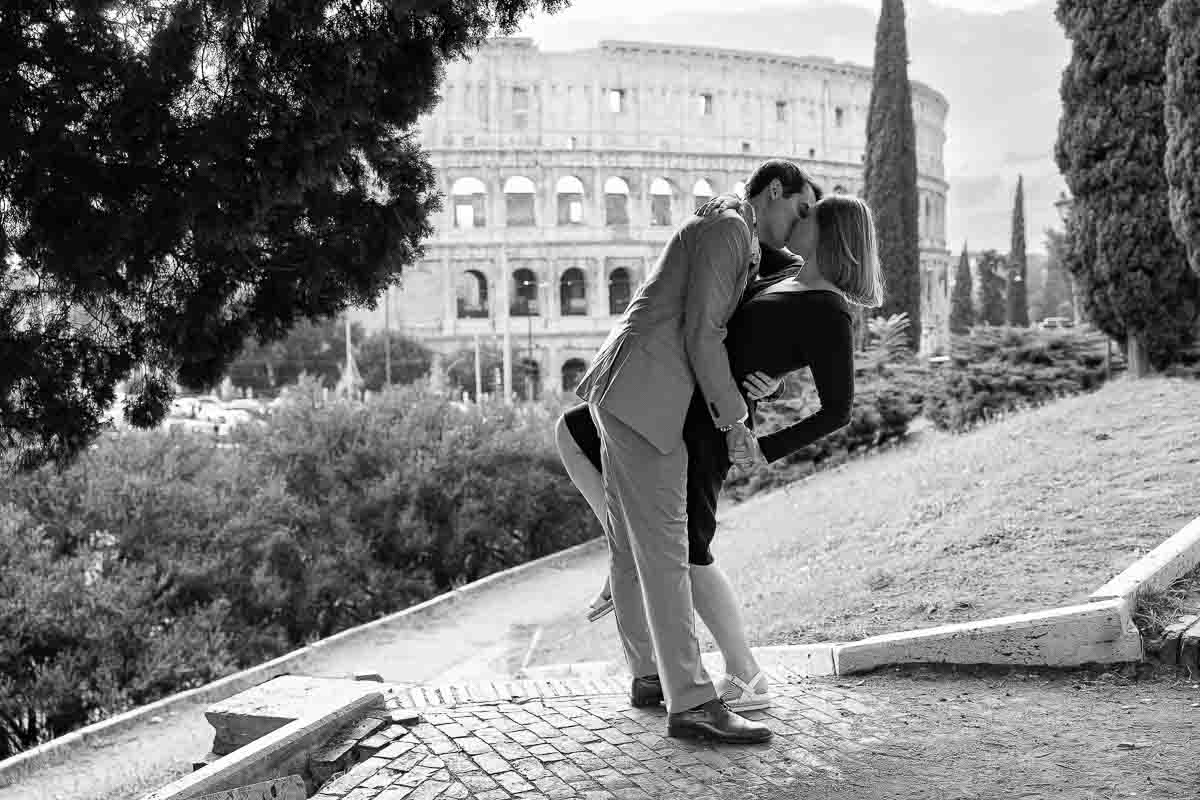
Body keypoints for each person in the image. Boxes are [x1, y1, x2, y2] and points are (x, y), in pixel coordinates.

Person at [558, 191, 884, 714]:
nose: (800, 220)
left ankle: (745, 674)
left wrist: (762, 448)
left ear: (829, 234)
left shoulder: (830, 313)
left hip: (712, 429)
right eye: (802, 210)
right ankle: (632, 570)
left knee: (689, 551)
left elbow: (838, 409)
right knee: (576, 432)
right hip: (681, 400)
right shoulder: (784, 271)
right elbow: (741, 246)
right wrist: (727, 203)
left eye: (811, 217)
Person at [572, 159, 818, 744]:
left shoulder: (730, 229)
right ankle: (692, 701)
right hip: (647, 397)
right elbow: (702, 334)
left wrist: (763, 380)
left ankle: (649, 676)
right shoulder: (730, 229)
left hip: (626, 388)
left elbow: (716, 334)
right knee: (665, 548)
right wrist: (736, 420)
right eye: (800, 210)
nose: (800, 223)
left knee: (631, 548)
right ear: (775, 191)